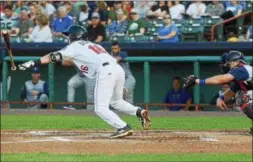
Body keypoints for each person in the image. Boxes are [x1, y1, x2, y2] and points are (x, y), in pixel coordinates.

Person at [17, 25, 151, 138]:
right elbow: (72, 60)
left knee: (100, 108)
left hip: (106, 71)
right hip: (117, 69)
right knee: (116, 101)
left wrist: (30, 63)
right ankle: (139, 112)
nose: (67, 38)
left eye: (69, 36)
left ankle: (123, 127)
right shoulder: (93, 45)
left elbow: (52, 57)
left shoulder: (74, 46)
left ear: (75, 36)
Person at [183, 51, 252, 135]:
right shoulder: (240, 77)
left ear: (237, 62)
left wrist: (197, 81)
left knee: (243, 97)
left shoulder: (241, 69)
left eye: (229, 63)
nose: (226, 65)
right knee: (240, 94)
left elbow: (221, 79)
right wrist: (220, 98)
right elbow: (231, 91)